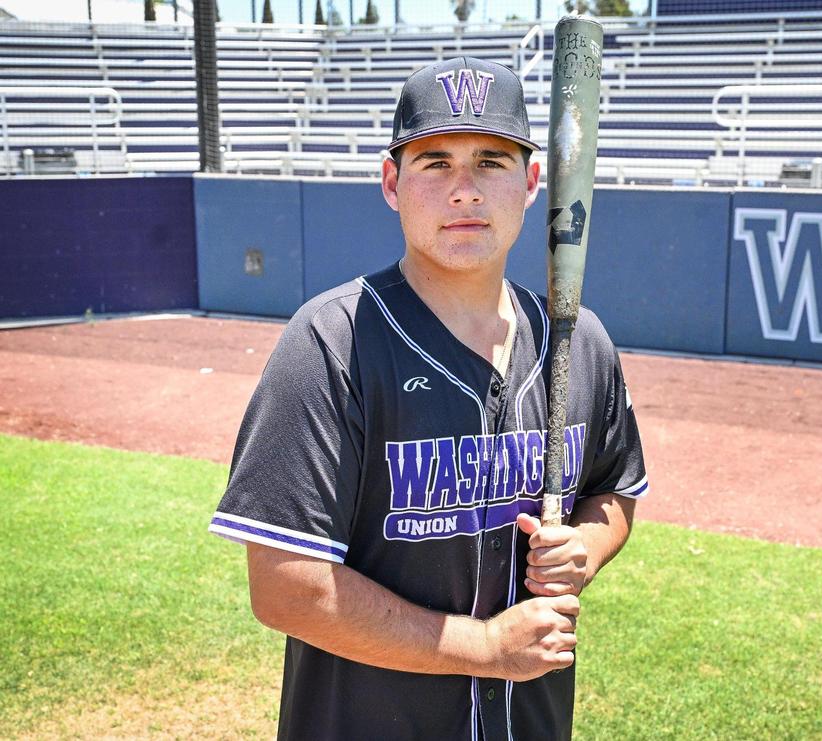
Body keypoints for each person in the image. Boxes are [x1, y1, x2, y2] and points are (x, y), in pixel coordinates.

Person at [208, 56, 648, 741]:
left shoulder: (577, 343)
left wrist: (586, 548)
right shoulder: (332, 342)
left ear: (534, 182)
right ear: (392, 182)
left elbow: (612, 491)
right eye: (435, 162)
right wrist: (486, 646)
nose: (464, 190)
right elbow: (286, 586)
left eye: (492, 162)